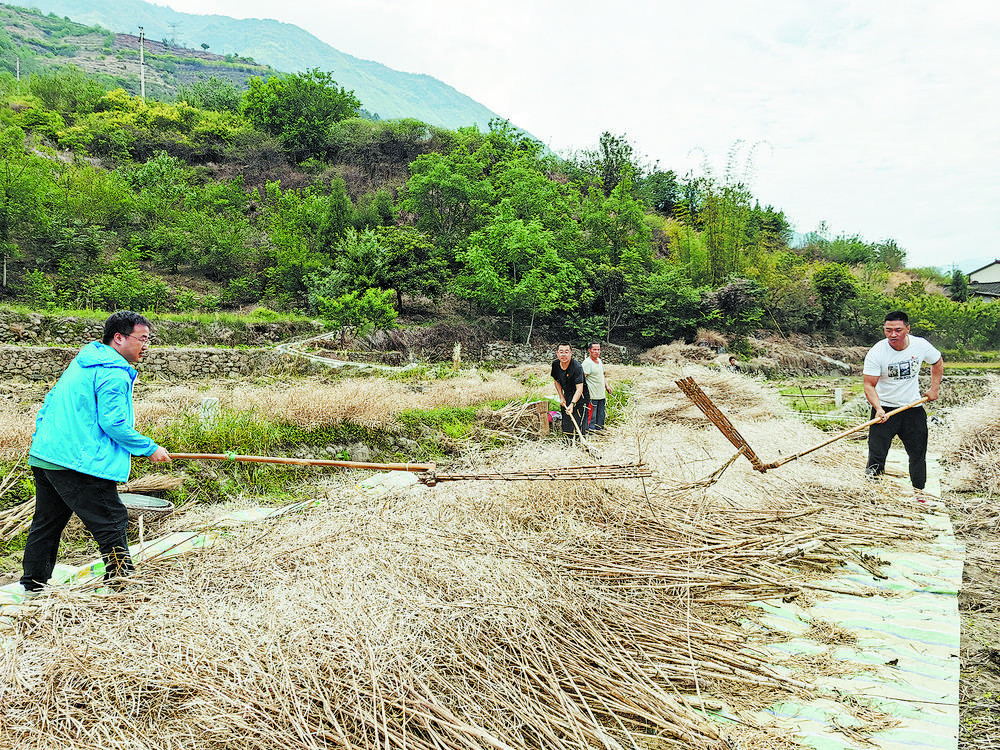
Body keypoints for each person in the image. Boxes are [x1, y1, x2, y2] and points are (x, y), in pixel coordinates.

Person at [19, 311, 171, 595]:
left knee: (47, 522)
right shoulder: (113, 372)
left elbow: (50, 401)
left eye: (148, 339)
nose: (146, 345)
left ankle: (32, 586)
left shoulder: (84, 361)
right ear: (119, 338)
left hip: (47, 455)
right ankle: (122, 584)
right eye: (142, 338)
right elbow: (113, 423)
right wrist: (149, 449)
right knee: (111, 519)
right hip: (77, 461)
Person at [862, 310, 943, 492]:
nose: (893, 335)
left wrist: (934, 389)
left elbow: (937, 361)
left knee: (918, 455)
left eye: (898, 330)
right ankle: (873, 494)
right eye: (888, 330)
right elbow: (869, 385)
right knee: (876, 455)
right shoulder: (877, 352)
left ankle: (919, 494)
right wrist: (878, 408)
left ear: (907, 329)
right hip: (884, 411)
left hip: (912, 409)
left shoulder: (920, 345)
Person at [550, 343, 589, 439]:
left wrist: (572, 404)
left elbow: (579, 389)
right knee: (566, 422)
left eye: (566, 352)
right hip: (567, 394)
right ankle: (567, 442)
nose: (564, 354)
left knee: (579, 423)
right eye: (561, 352)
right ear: (557, 353)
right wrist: (561, 397)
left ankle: (581, 442)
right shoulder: (555, 364)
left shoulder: (577, 367)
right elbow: (556, 381)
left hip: (581, 397)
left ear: (571, 353)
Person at [582, 342, 611, 433]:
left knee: (601, 416)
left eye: (598, 349)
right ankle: (591, 433)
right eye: (594, 349)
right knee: (592, 417)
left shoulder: (599, 361)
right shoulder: (587, 363)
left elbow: (602, 375)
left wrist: (607, 386)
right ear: (589, 350)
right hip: (592, 396)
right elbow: (582, 379)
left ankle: (599, 431)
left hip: (601, 394)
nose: (597, 352)